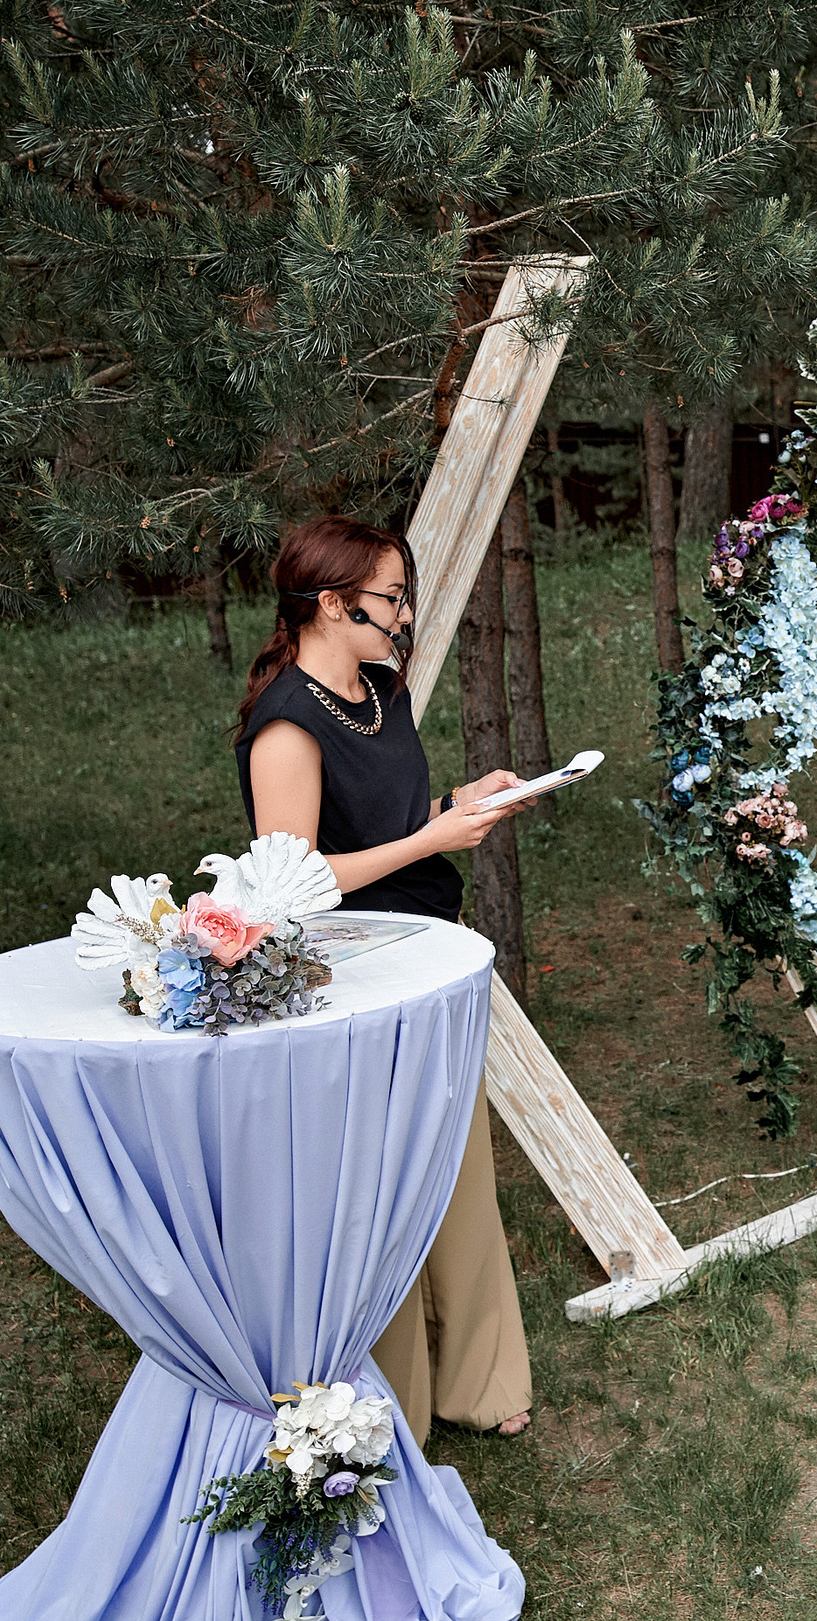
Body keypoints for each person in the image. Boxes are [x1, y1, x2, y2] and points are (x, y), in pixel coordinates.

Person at [233, 515, 536, 1442]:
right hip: (350, 977)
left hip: (430, 954)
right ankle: (393, 1402)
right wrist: (432, 838)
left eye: (404, 597)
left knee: (460, 1171)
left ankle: (484, 1383)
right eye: (391, 598)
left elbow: (390, 826)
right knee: (381, 1191)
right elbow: (295, 883)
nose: (404, 615)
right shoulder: (285, 727)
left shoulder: (379, 693)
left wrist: (457, 804)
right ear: (332, 604)